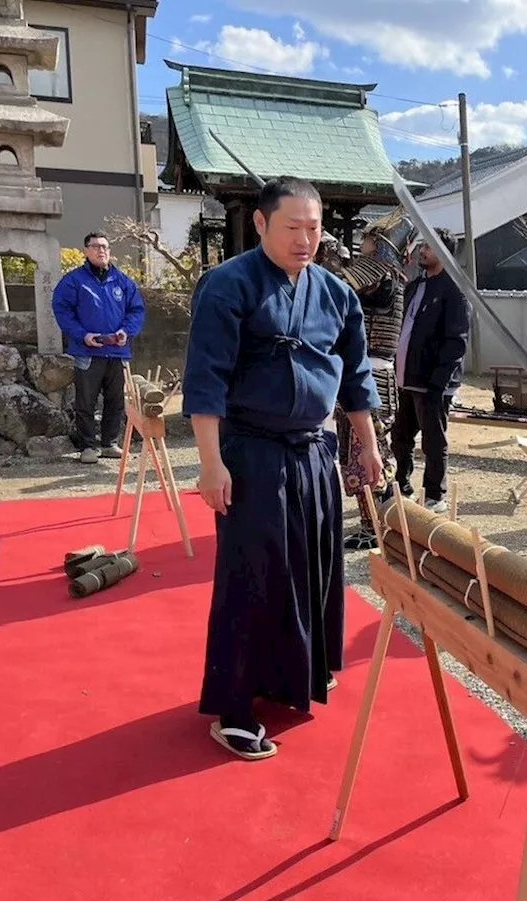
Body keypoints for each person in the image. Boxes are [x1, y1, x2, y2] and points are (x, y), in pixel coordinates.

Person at [182, 177, 383, 761]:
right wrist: (211, 463)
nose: (305, 239)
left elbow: (355, 376)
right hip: (251, 452)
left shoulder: (335, 294)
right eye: (292, 227)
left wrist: (366, 445)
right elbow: (206, 380)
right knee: (254, 575)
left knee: (314, 565)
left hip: (314, 450)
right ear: (263, 224)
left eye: (314, 228)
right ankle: (235, 708)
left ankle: (299, 674)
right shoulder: (228, 285)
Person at [319, 217, 415, 549]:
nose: (364, 243)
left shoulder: (382, 272)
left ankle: (376, 525)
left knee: (369, 454)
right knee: (356, 453)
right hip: (361, 375)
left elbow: (336, 284)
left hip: (371, 376)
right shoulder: (382, 274)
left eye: (370, 239)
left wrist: (329, 253)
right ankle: (376, 523)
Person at [391, 228, 470, 513]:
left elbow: (456, 341)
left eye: (430, 247)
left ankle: (436, 494)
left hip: (433, 382)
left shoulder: (454, 289)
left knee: (433, 440)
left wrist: (439, 382)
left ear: (446, 253)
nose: (423, 251)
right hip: (405, 377)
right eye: (422, 246)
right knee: (400, 436)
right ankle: (402, 485)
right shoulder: (414, 286)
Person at [52, 231, 146, 464]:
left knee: (115, 401)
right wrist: (82, 335)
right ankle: (87, 446)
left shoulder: (123, 281)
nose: (101, 250)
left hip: (118, 351)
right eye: (95, 246)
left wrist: (127, 331)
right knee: (86, 401)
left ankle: (109, 443)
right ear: (86, 251)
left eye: (104, 246)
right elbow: (62, 310)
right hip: (88, 351)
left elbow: (136, 310)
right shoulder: (73, 281)